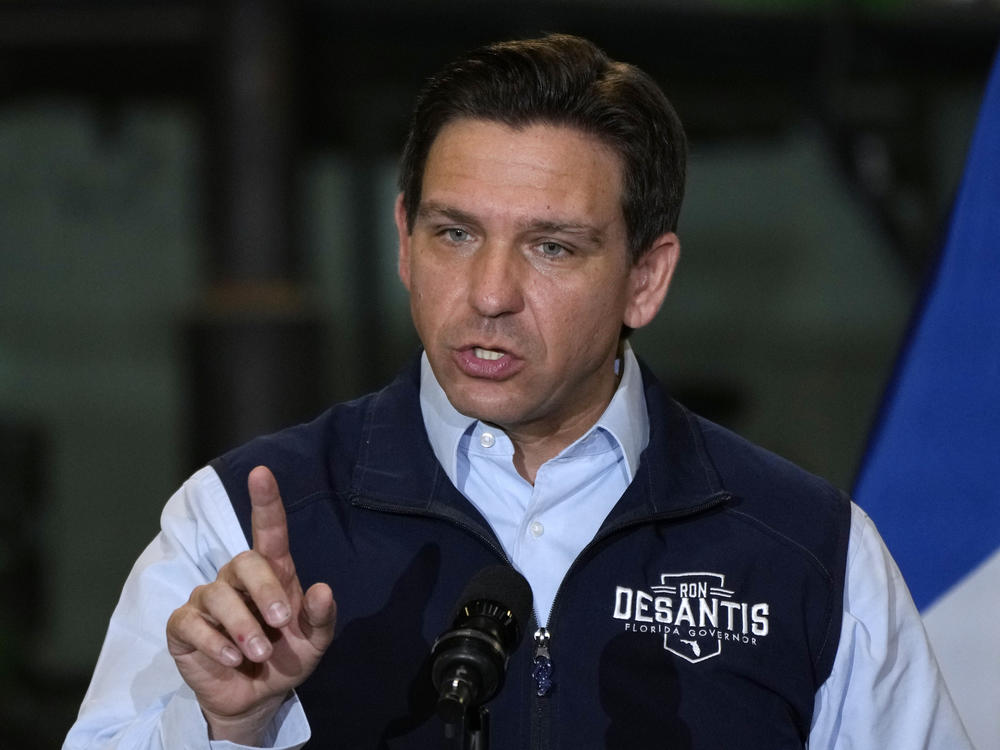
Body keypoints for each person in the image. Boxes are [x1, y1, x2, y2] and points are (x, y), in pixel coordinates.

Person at [65, 34, 972, 749]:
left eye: (552, 247)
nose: (491, 294)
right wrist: (231, 728)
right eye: (454, 234)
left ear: (646, 280)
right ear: (402, 241)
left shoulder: (810, 552)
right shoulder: (236, 530)